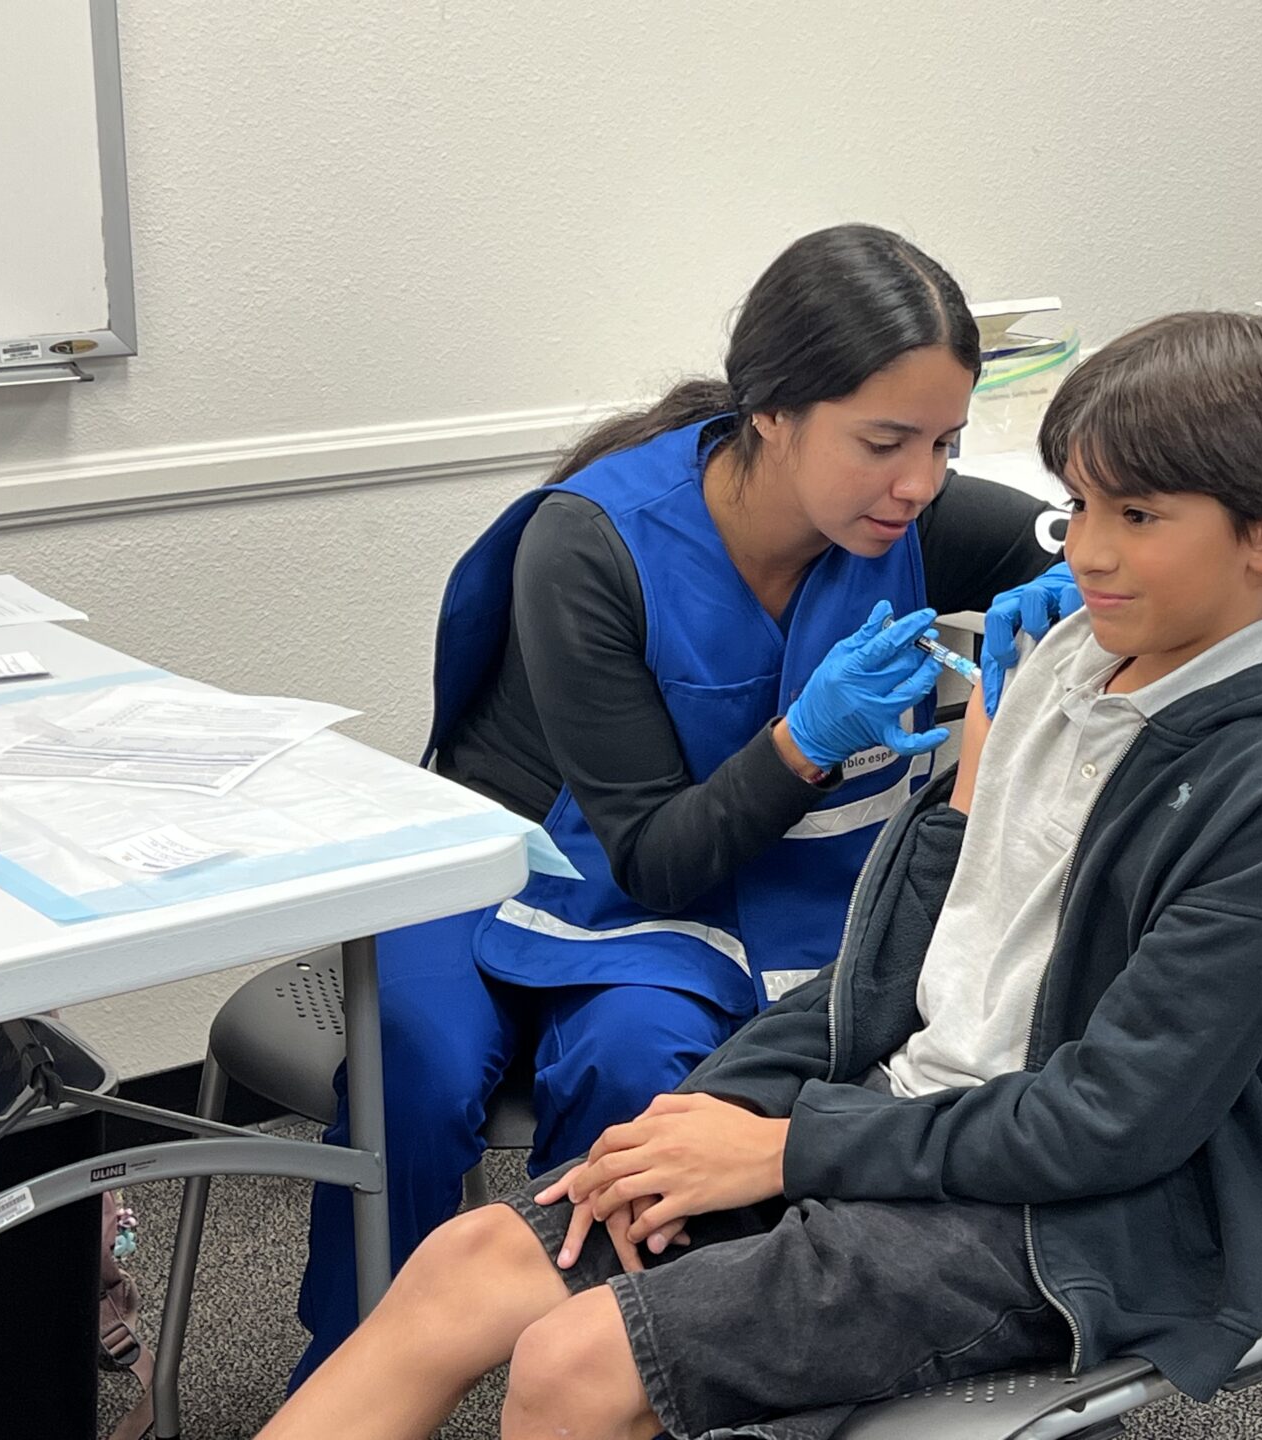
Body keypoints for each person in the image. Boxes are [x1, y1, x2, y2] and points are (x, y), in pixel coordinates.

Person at [261, 309, 1262, 1440]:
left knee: (576, 1363)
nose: (1087, 551)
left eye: (1137, 515)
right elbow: (893, 965)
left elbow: (1111, 1125)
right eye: (1077, 506)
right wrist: (720, 1104)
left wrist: (784, 1147)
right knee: (470, 1263)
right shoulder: (1066, 666)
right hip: (907, 1121)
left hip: (1068, 1217)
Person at [293, 223, 1072, 1382]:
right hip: (507, 854)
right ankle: (355, 1371)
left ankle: (602, 1370)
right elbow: (654, 855)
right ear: (772, 409)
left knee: (641, 1071)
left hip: (712, 880)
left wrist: (1073, 587)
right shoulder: (592, 545)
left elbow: (1069, 548)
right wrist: (806, 742)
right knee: (417, 1061)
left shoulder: (917, 519)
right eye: (884, 441)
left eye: (946, 444)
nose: (919, 481)